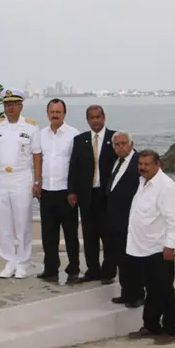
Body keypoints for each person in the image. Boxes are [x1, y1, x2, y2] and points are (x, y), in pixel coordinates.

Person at [0, 88, 42, 279]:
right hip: (0, 178)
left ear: (21, 106)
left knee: (23, 221)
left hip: (22, 178)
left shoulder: (31, 127)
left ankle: (23, 262)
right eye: (7, 104)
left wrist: (37, 181)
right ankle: (9, 261)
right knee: (3, 222)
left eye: (14, 104)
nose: (11, 108)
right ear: (4, 106)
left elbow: (37, 156)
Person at [126, 150, 175, 345]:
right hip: (142, 246)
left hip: (160, 247)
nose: (142, 167)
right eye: (140, 164)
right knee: (151, 289)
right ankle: (151, 325)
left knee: (164, 289)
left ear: (158, 165)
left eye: (146, 164)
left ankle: (170, 330)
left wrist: (170, 246)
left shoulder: (166, 187)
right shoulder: (143, 182)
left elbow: (173, 220)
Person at [67, 105, 117, 283]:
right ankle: (92, 270)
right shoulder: (80, 140)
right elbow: (74, 167)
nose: (95, 120)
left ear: (104, 118)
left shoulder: (115, 138)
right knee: (89, 236)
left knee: (108, 236)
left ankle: (108, 272)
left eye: (98, 117)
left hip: (107, 196)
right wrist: (72, 191)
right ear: (87, 120)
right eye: (92, 118)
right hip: (87, 196)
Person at [36, 99, 80, 283]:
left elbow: (78, 165)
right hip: (47, 191)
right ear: (47, 113)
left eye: (58, 111)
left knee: (70, 234)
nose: (55, 114)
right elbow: (38, 161)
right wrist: (37, 183)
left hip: (66, 193)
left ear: (64, 113)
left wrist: (74, 191)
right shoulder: (40, 135)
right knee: (48, 234)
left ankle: (73, 268)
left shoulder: (73, 135)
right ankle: (51, 269)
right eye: (52, 111)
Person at [104, 132, 144, 307]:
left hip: (131, 220)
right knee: (122, 259)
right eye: (117, 144)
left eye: (123, 143)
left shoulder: (138, 163)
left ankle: (137, 294)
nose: (120, 147)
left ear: (131, 144)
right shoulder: (117, 163)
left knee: (133, 260)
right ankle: (126, 292)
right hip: (116, 220)